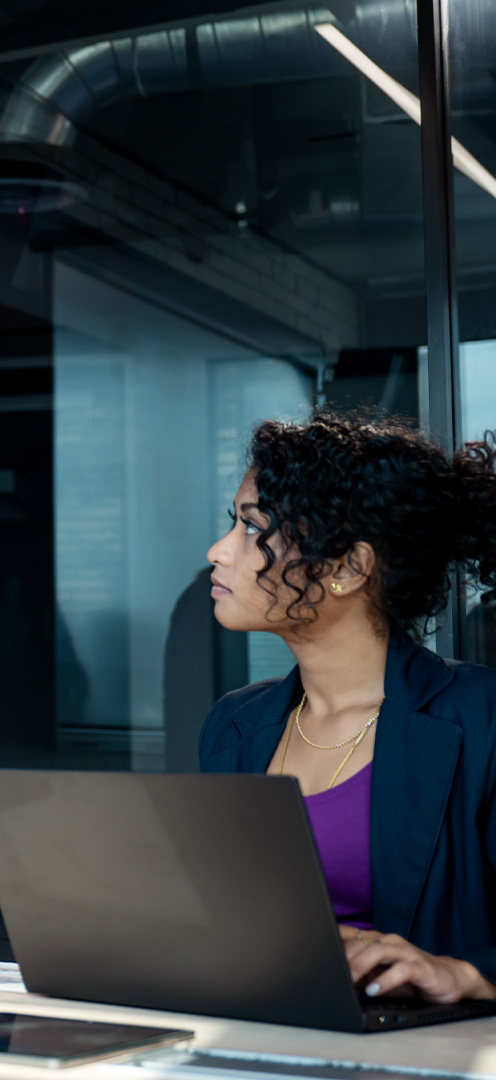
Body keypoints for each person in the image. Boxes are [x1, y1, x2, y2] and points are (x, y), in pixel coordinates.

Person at [201, 412, 496, 1005]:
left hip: (424, 1043)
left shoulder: (481, 717)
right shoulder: (233, 725)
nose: (218, 551)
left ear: (348, 568)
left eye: (253, 528)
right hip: (261, 1027)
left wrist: (468, 975)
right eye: (232, 523)